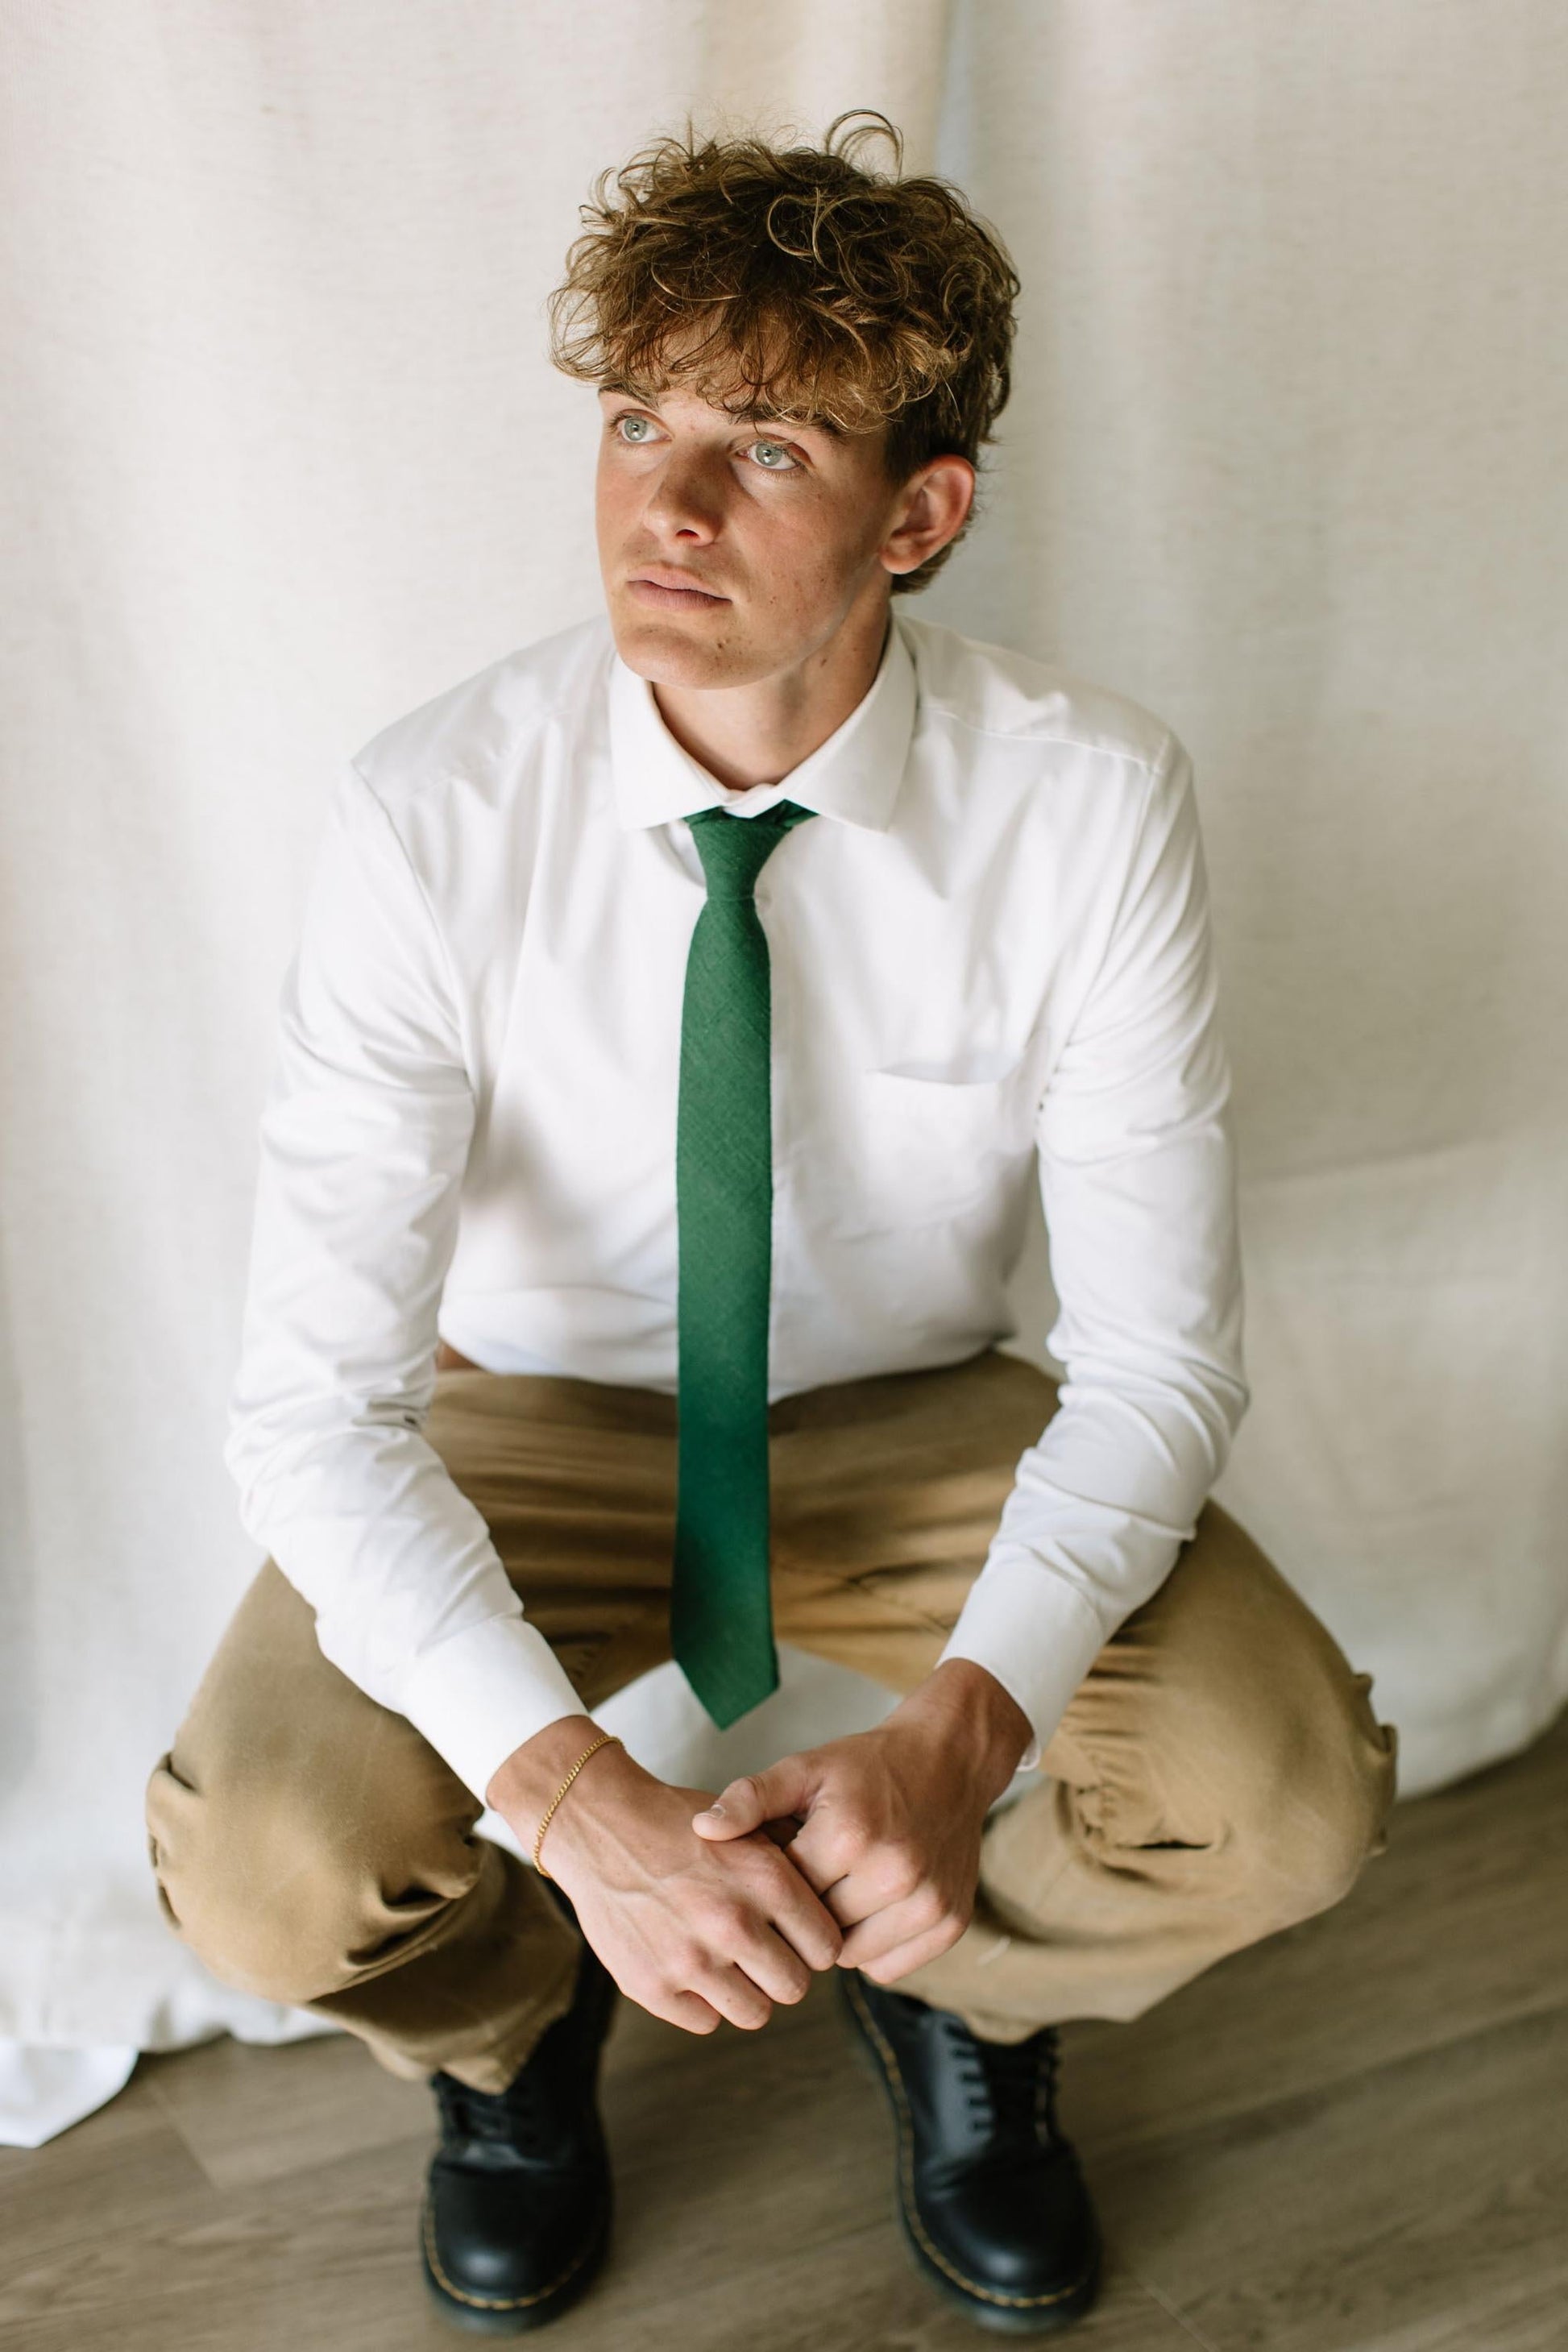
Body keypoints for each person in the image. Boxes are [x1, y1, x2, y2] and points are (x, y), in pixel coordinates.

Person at [144, 111, 1399, 2337]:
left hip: (918, 1414)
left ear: (920, 515)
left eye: (770, 447)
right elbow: (311, 1409)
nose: (668, 504)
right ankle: (520, 2034)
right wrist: (568, 1805)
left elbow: (1154, 1362)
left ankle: (962, 1995)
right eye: (639, 423)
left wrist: (961, 1750)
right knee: (261, 1864)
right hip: (536, 1416)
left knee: (1284, 1796)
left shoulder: (1089, 801)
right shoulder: (431, 813)